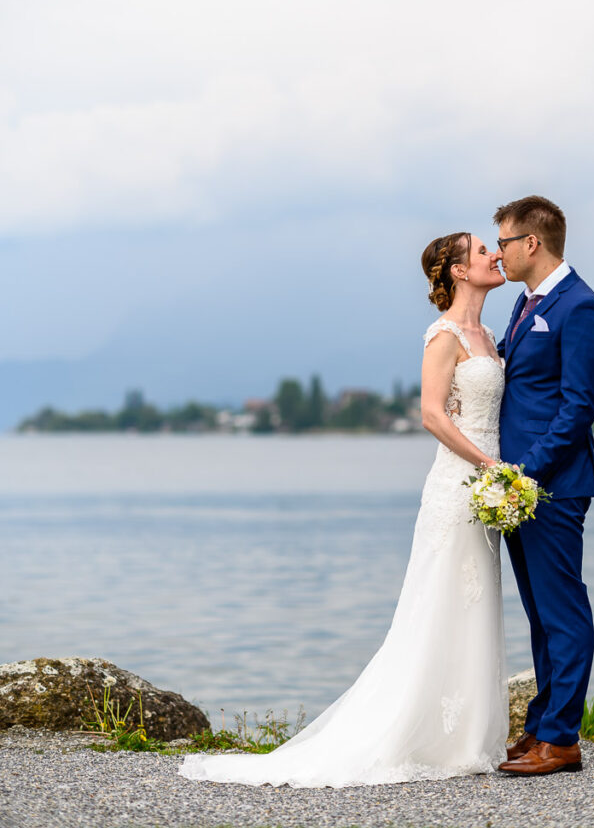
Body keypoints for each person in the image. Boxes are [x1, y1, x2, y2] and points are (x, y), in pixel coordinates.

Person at [179, 231, 509, 788]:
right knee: (440, 601)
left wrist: (500, 474)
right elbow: (432, 415)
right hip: (460, 485)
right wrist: (486, 465)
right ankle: (414, 732)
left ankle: (467, 737)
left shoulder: (491, 335)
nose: (495, 255)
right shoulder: (443, 335)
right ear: (456, 271)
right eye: (482, 251)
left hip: (488, 487)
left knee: (476, 602)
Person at [492, 195, 594, 776]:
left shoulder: (580, 307)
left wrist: (526, 473)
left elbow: (578, 407)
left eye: (505, 242)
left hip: (553, 485)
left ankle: (562, 740)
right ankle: (541, 724)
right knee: (540, 613)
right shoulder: (525, 301)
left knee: (563, 612)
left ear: (532, 244)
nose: (499, 253)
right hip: (519, 487)